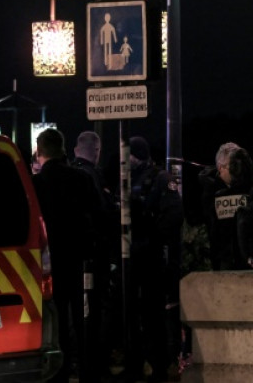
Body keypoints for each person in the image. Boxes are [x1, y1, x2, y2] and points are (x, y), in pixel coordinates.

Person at [32, 128, 104, 383]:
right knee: (84, 316)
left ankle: (59, 371)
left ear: (39, 151)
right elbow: (99, 216)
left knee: (57, 317)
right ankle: (88, 368)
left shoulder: (37, 184)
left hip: (50, 262)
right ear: (63, 148)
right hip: (81, 260)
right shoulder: (81, 178)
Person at [118, 136, 183, 383]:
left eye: (129, 156)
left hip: (152, 259)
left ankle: (159, 367)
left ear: (139, 155)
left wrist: (151, 235)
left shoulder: (161, 179)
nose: (126, 161)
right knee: (130, 314)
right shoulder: (126, 179)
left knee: (153, 316)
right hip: (130, 259)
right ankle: (134, 364)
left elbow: (174, 216)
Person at [69, 130, 118, 377]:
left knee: (77, 308)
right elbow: (104, 213)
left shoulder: (70, 173)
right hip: (95, 254)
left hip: (71, 255)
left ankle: (78, 358)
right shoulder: (93, 176)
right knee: (99, 307)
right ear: (96, 151)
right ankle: (96, 361)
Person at [199, 142, 253, 271]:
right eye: (234, 165)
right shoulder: (213, 193)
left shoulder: (219, 193)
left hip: (242, 265)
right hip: (233, 265)